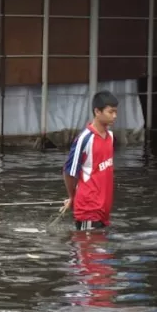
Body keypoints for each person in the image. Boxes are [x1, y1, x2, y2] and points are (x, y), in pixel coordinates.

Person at [63, 90, 118, 231]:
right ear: (97, 112)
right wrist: (72, 197)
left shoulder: (110, 137)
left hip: (104, 210)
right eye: (110, 112)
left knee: (102, 252)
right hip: (88, 210)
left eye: (115, 112)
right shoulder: (85, 138)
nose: (114, 116)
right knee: (89, 250)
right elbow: (69, 172)